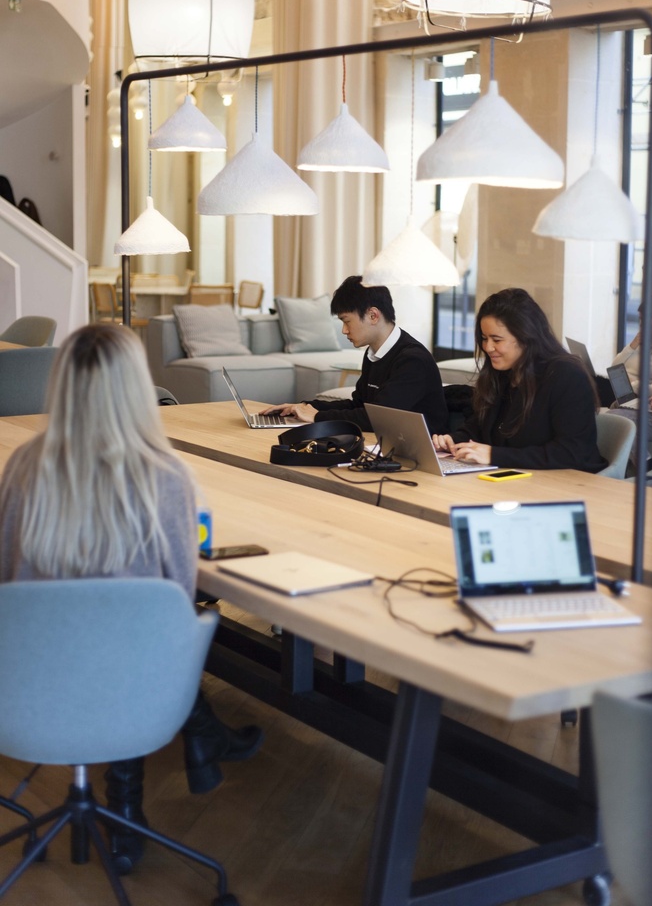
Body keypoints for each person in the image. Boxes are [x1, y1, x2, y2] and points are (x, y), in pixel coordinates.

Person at [0, 324, 263, 874]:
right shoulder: (168, 479)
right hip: (136, 691)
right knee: (142, 637)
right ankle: (134, 805)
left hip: (27, 686)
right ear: (135, 388)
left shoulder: (22, 469)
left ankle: (193, 749)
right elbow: (180, 596)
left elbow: (6, 580)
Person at [432, 288, 606, 472]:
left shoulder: (567, 376)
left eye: (497, 340)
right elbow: (480, 426)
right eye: (484, 338)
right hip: (518, 477)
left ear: (525, 337)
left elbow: (571, 453)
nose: (488, 347)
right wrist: (454, 441)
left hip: (567, 483)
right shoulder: (503, 371)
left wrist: (493, 455)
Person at [264, 275, 448, 432]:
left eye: (347, 321)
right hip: (386, 443)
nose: (344, 330)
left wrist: (318, 416)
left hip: (424, 453)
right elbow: (358, 405)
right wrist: (304, 407)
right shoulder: (374, 353)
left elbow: (378, 417)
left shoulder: (413, 360)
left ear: (373, 316)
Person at [609, 292, 652, 403]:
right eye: (640, 319)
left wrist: (634, 386)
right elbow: (614, 367)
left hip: (637, 398)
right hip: (620, 392)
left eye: (645, 319)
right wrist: (632, 346)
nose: (641, 324)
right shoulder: (642, 342)